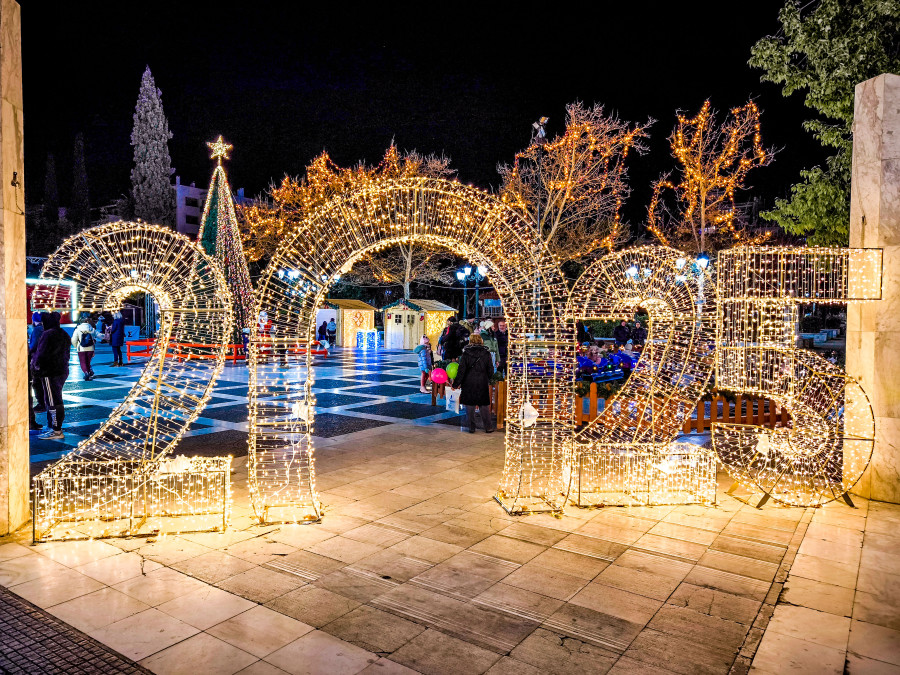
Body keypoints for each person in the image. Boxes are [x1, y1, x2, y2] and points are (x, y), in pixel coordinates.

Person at [31, 312, 70, 440]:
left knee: (52, 401)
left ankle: (56, 429)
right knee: (56, 398)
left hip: (50, 372)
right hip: (61, 370)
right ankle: (54, 427)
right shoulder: (63, 333)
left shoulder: (47, 334)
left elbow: (41, 354)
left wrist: (36, 367)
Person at [453, 334, 495, 433]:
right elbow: (490, 370)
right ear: (481, 341)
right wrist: (489, 378)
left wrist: (456, 384)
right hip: (482, 381)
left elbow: (461, 370)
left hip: (468, 381)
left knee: (469, 405)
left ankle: (472, 428)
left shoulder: (466, 353)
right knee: (483, 405)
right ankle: (488, 427)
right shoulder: (486, 353)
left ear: (470, 341)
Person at [71, 313, 101, 381]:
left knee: (83, 362)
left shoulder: (78, 329)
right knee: (88, 362)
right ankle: (89, 371)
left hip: (81, 348)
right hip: (90, 348)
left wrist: (77, 346)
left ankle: (86, 372)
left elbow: (73, 340)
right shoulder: (92, 329)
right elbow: (99, 335)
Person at [27, 313, 44, 433]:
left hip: (36, 361)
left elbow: (32, 346)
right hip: (43, 362)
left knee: (35, 385)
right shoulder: (46, 329)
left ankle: (41, 404)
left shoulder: (37, 330)